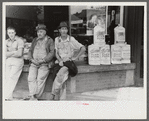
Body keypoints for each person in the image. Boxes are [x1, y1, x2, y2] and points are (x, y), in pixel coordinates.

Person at [50, 21, 86, 100]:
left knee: (60, 75)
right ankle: (62, 99)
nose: (63, 31)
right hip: (60, 62)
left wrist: (75, 58)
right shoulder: (57, 39)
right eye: (62, 29)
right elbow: (56, 52)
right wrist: (60, 60)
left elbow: (83, 48)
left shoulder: (71, 39)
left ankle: (53, 94)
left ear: (67, 30)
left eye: (65, 29)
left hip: (68, 62)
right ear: (59, 30)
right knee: (62, 79)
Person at [26, 24, 54, 100]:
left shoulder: (49, 40)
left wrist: (43, 60)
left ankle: (35, 96)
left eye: (41, 32)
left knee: (40, 79)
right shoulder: (35, 40)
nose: (39, 33)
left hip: (44, 64)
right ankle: (32, 96)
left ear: (45, 32)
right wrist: (31, 59)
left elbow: (52, 53)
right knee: (31, 78)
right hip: (34, 63)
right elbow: (30, 50)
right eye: (38, 32)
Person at [4, 26, 25, 100]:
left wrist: (9, 53)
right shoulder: (6, 41)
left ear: (15, 33)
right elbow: (4, 54)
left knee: (12, 77)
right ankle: (8, 96)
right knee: (6, 78)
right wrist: (14, 52)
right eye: (9, 33)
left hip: (17, 61)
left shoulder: (20, 40)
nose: (11, 34)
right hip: (9, 60)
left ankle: (5, 96)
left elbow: (19, 54)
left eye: (12, 32)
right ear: (7, 33)